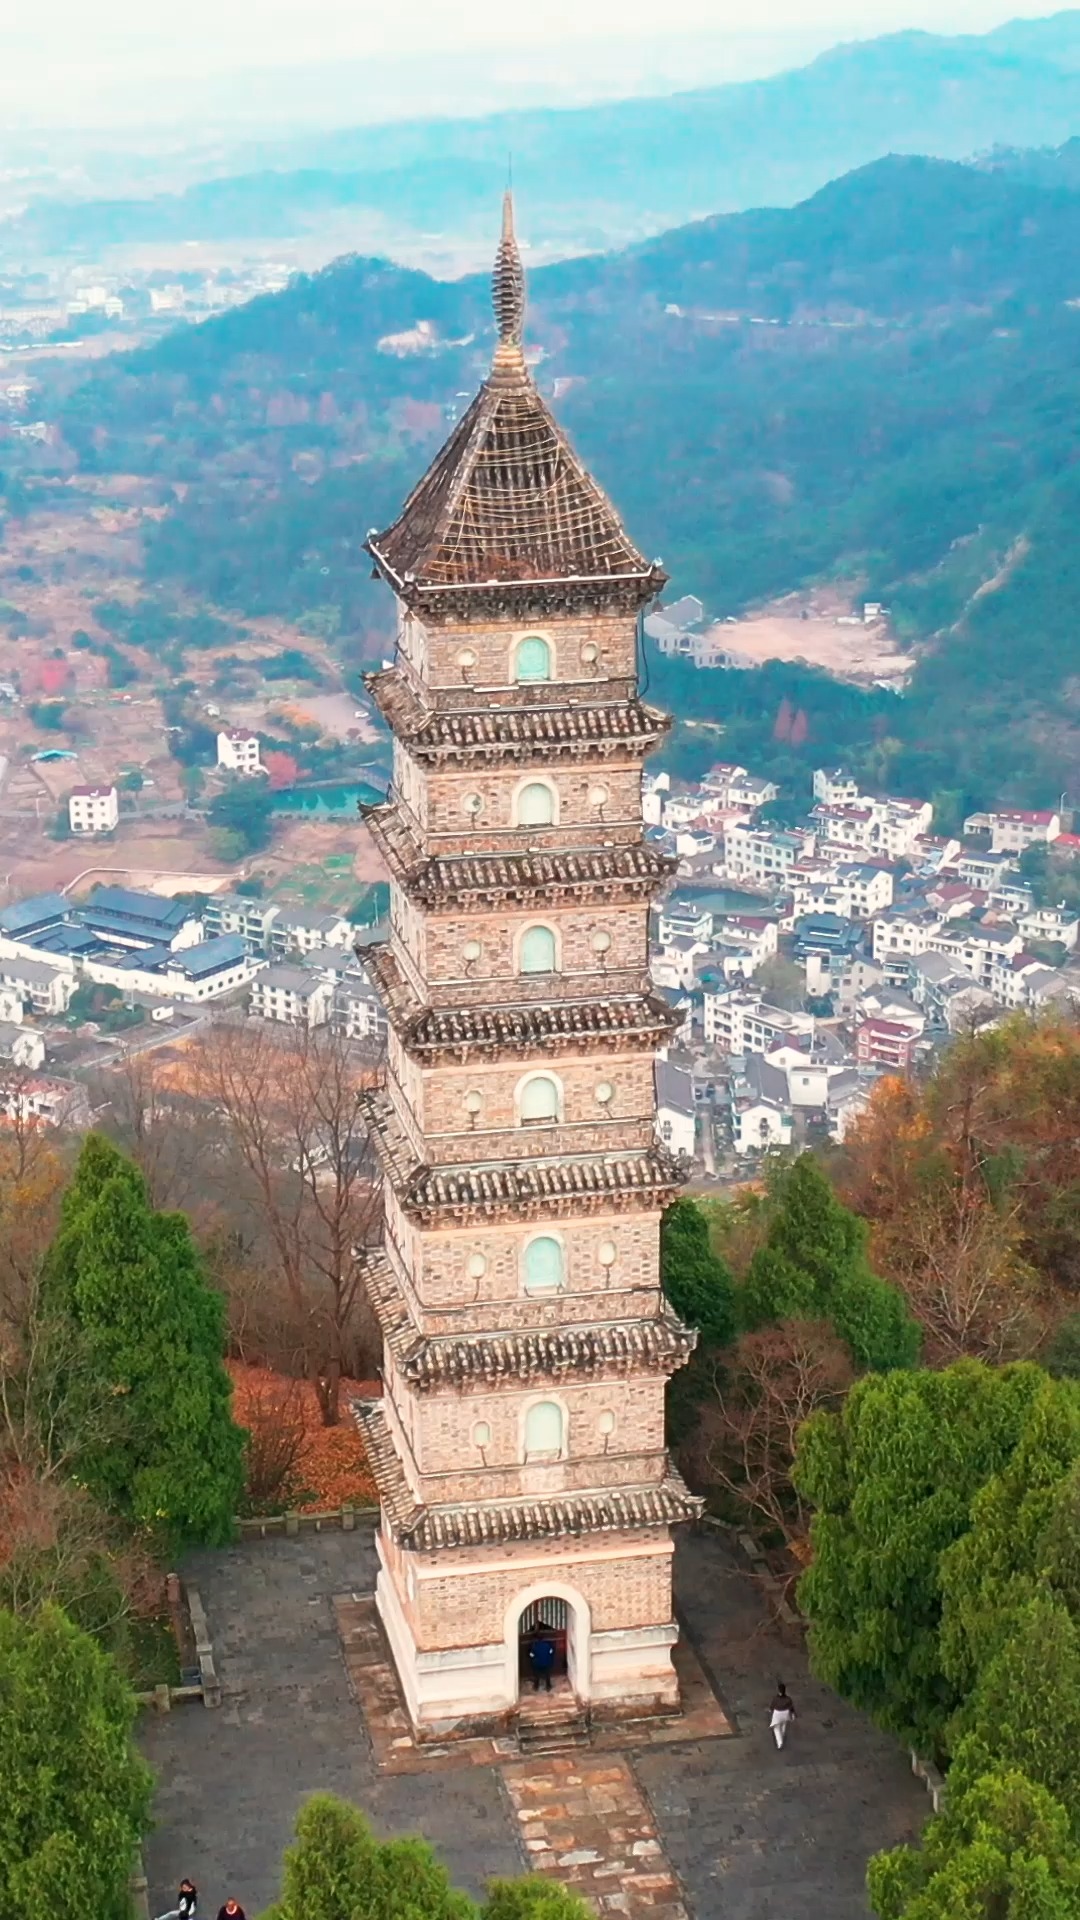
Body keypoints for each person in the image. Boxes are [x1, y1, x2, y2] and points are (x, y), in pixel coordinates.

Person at [769, 1681, 796, 1749]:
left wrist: (771, 1710)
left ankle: (780, 1742)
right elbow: (791, 1707)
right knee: (784, 1724)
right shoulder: (788, 1699)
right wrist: (792, 1714)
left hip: (777, 1713)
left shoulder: (776, 1698)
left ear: (779, 1691)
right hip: (786, 1713)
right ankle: (782, 1735)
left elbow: (772, 1706)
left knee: (776, 1728)